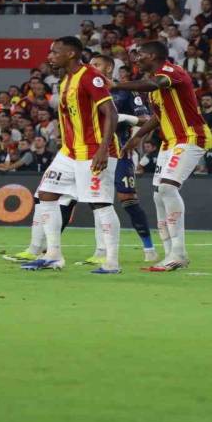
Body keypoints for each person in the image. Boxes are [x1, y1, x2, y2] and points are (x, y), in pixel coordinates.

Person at [20, 37, 122, 275]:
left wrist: (104, 148)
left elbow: (111, 112)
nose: (50, 56)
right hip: (69, 151)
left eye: (55, 52)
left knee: (100, 203)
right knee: (46, 194)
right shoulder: (66, 79)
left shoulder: (90, 76)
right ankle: (53, 255)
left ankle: (112, 262)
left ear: (71, 54)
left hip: (94, 149)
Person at [114, 40, 212, 272]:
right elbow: (158, 116)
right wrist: (138, 136)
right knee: (159, 194)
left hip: (191, 136)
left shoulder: (170, 71)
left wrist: (117, 85)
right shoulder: (154, 85)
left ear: (152, 56)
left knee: (168, 188)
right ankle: (170, 253)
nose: (136, 59)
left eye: (140, 55)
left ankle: (178, 253)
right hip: (170, 142)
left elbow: (153, 84)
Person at [81, 54, 156, 265]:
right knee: (97, 200)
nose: (92, 67)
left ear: (109, 68)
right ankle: (100, 252)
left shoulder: (126, 91)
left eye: (97, 64)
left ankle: (149, 248)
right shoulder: (86, 89)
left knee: (128, 200)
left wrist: (123, 120)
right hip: (94, 151)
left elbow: (146, 120)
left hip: (122, 151)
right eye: (90, 64)